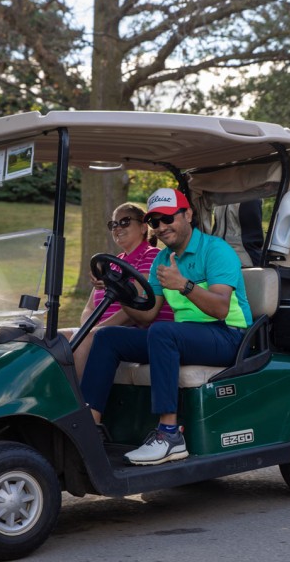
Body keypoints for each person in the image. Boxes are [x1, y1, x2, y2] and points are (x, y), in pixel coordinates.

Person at [79, 188, 252, 466]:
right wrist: (117, 289)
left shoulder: (216, 250)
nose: (161, 227)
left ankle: (169, 435)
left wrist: (183, 285)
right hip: (188, 338)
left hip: (228, 336)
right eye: (154, 222)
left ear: (187, 214)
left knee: (162, 333)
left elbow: (220, 308)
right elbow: (147, 316)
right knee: (108, 337)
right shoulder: (162, 260)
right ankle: (88, 427)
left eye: (167, 218)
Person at [60, 203, 174, 378]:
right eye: (113, 224)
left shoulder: (152, 256)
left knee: (88, 339)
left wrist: (93, 331)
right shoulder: (112, 263)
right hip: (102, 328)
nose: (117, 228)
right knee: (54, 339)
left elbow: (133, 308)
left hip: (135, 330)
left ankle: (76, 401)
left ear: (144, 227)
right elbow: (90, 307)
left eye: (125, 222)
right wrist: (87, 328)